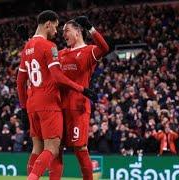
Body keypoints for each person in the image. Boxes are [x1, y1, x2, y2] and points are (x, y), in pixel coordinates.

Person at [16, 10, 96, 180]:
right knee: (52, 148)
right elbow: (58, 77)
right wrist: (81, 89)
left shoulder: (27, 48)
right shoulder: (50, 47)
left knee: (37, 148)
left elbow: (20, 81)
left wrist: (23, 107)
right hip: (49, 103)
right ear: (48, 24)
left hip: (31, 104)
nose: (56, 32)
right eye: (56, 27)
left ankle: (29, 175)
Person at [48, 16, 109, 180]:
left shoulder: (89, 51)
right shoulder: (60, 53)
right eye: (62, 32)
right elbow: (44, 56)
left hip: (78, 107)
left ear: (78, 32)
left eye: (66, 30)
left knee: (80, 149)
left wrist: (91, 28)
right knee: (56, 148)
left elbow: (104, 47)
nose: (63, 34)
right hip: (59, 107)